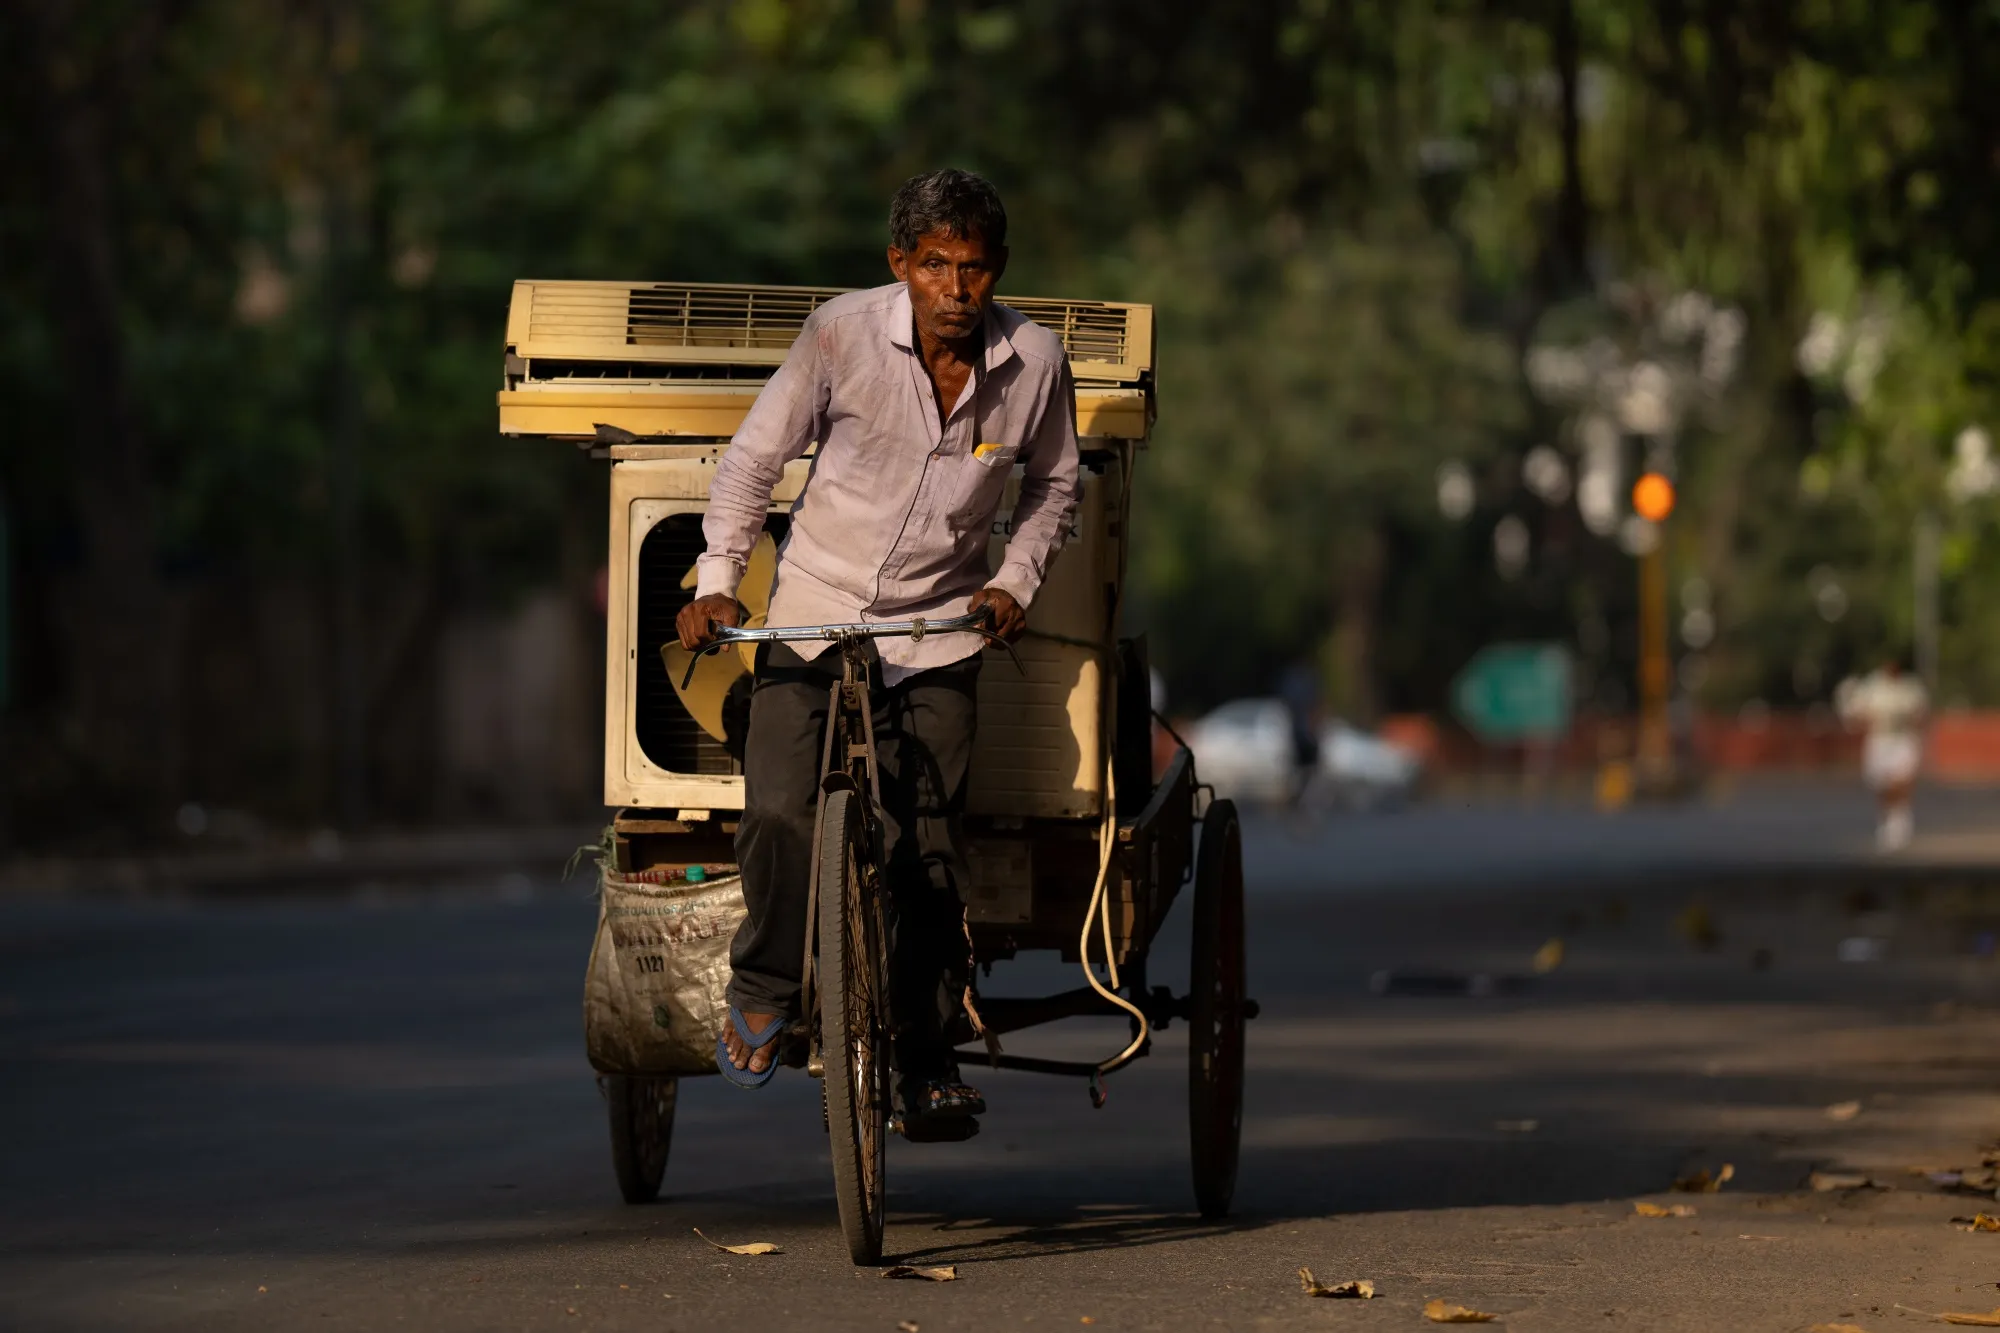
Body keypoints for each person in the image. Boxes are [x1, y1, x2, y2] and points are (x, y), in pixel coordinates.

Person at [674, 169, 1079, 1137]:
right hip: (812, 616)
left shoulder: (1035, 361)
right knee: (778, 808)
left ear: (998, 272)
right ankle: (767, 985)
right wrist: (717, 579)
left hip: (938, 635)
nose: (953, 287)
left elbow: (1054, 490)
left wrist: (1010, 583)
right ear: (899, 264)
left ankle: (927, 1054)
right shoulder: (839, 334)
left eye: (972, 268)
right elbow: (751, 462)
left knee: (926, 852)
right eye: (933, 264)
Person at [1835, 660, 1929, 852]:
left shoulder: (1910, 688)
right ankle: (1888, 820)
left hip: (1903, 739)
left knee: (1901, 780)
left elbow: (1920, 713)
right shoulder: (1873, 686)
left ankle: (1900, 823)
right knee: (1882, 783)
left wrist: (1909, 720)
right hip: (1880, 740)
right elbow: (1857, 713)